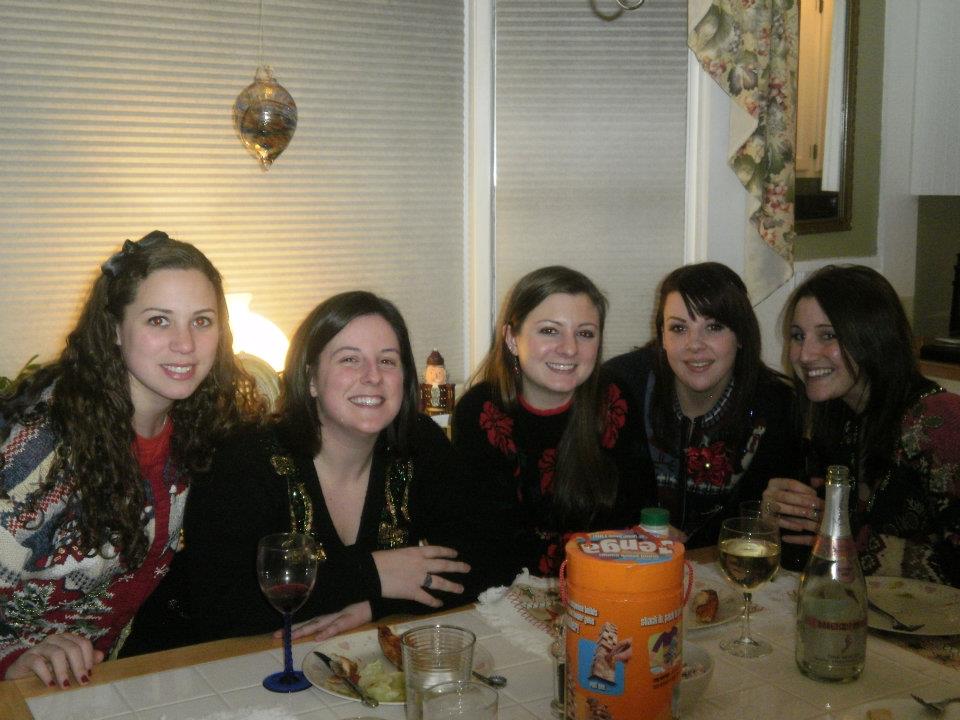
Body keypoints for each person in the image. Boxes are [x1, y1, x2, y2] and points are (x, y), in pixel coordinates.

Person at [123, 291, 496, 655]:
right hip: (187, 664)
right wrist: (373, 575)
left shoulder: (420, 443)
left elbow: (482, 562)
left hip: (335, 658)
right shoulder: (245, 460)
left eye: (387, 361)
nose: (372, 376)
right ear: (311, 378)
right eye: (349, 359)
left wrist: (375, 605)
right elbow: (226, 609)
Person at [0, 231, 265, 688]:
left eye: (202, 321)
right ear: (115, 329)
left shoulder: (199, 430)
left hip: (100, 681)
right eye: (159, 320)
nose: (186, 344)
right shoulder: (40, 446)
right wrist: (11, 661)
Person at [762, 265, 960, 586]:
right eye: (798, 336)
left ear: (874, 337)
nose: (805, 354)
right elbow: (811, 554)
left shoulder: (940, 422)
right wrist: (774, 519)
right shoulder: (836, 421)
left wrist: (847, 542)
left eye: (828, 335)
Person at [452, 266, 651, 577]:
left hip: (609, 582)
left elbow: (640, 517)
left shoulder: (613, 399)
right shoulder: (479, 412)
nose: (569, 348)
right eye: (549, 331)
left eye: (585, 333)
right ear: (511, 339)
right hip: (511, 589)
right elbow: (485, 543)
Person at [605, 262, 800, 549]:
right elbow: (595, 498)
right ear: (662, 337)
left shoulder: (776, 406)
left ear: (741, 335)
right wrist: (631, 527)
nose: (694, 344)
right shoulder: (622, 388)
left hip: (725, 566)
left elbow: (776, 526)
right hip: (633, 562)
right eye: (678, 328)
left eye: (714, 327)